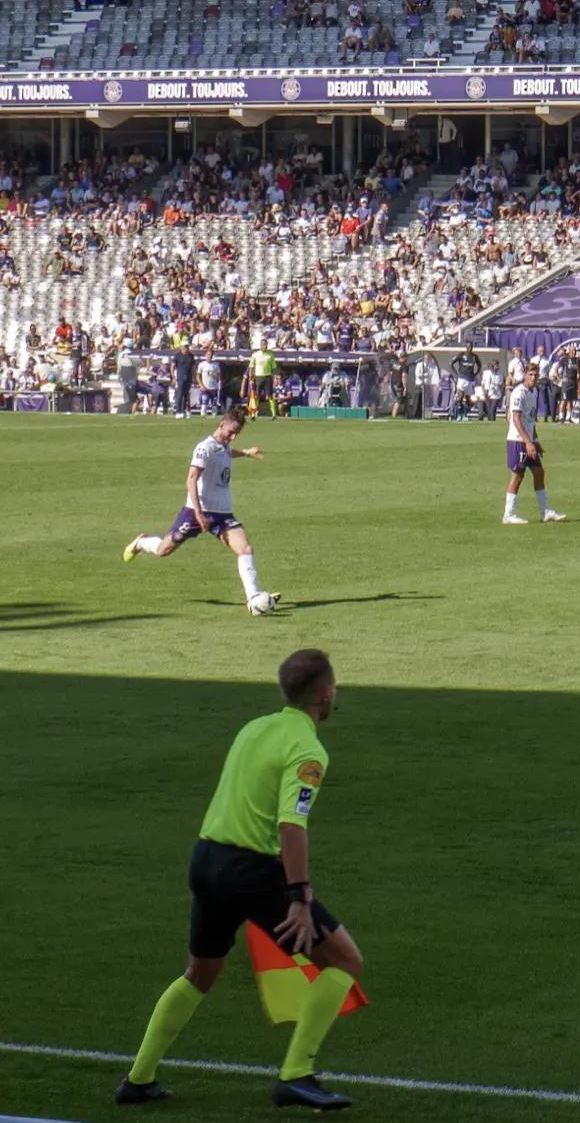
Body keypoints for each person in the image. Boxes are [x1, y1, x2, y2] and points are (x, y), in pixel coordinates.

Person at [115, 649, 361, 1111]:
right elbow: (292, 825)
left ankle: (139, 1079)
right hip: (251, 871)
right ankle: (297, 1073)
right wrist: (299, 898)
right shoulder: (307, 749)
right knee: (345, 960)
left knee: (200, 971)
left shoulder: (254, 728)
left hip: (206, 859)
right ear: (326, 694)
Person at [122, 408, 281, 615]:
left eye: (236, 434)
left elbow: (225, 453)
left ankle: (253, 597)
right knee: (164, 550)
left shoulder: (224, 446)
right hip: (197, 512)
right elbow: (191, 479)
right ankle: (141, 542)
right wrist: (198, 513)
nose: (232, 437)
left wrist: (246, 453)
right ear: (221, 425)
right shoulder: (203, 448)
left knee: (245, 549)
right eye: (230, 432)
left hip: (223, 514)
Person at [502, 363, 563, 525]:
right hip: (517, 440)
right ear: (525, 375)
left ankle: (545, 511)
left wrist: (535, 441)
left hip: (529, 440)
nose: (534, 377)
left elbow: (530, 419)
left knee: (538, 472)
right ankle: (508, 514)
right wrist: (528, 442)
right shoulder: (518, 393)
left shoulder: (534, 391)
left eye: (536, 375)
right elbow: (515, 419)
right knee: (518, 476)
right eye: (531, 374)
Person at [449, 344, 482, 421]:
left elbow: (479, 366)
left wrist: (475, 373)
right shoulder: (461, 355)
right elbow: (451, 363)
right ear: (466, 347)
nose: (470, 348)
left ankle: (465, 414)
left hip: (470, 379)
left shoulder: (474, 356)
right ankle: (459, 413)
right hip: (462, 378)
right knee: (460, 396)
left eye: (471, 346)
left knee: (468, 398)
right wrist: (456, 374)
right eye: (468, 347)